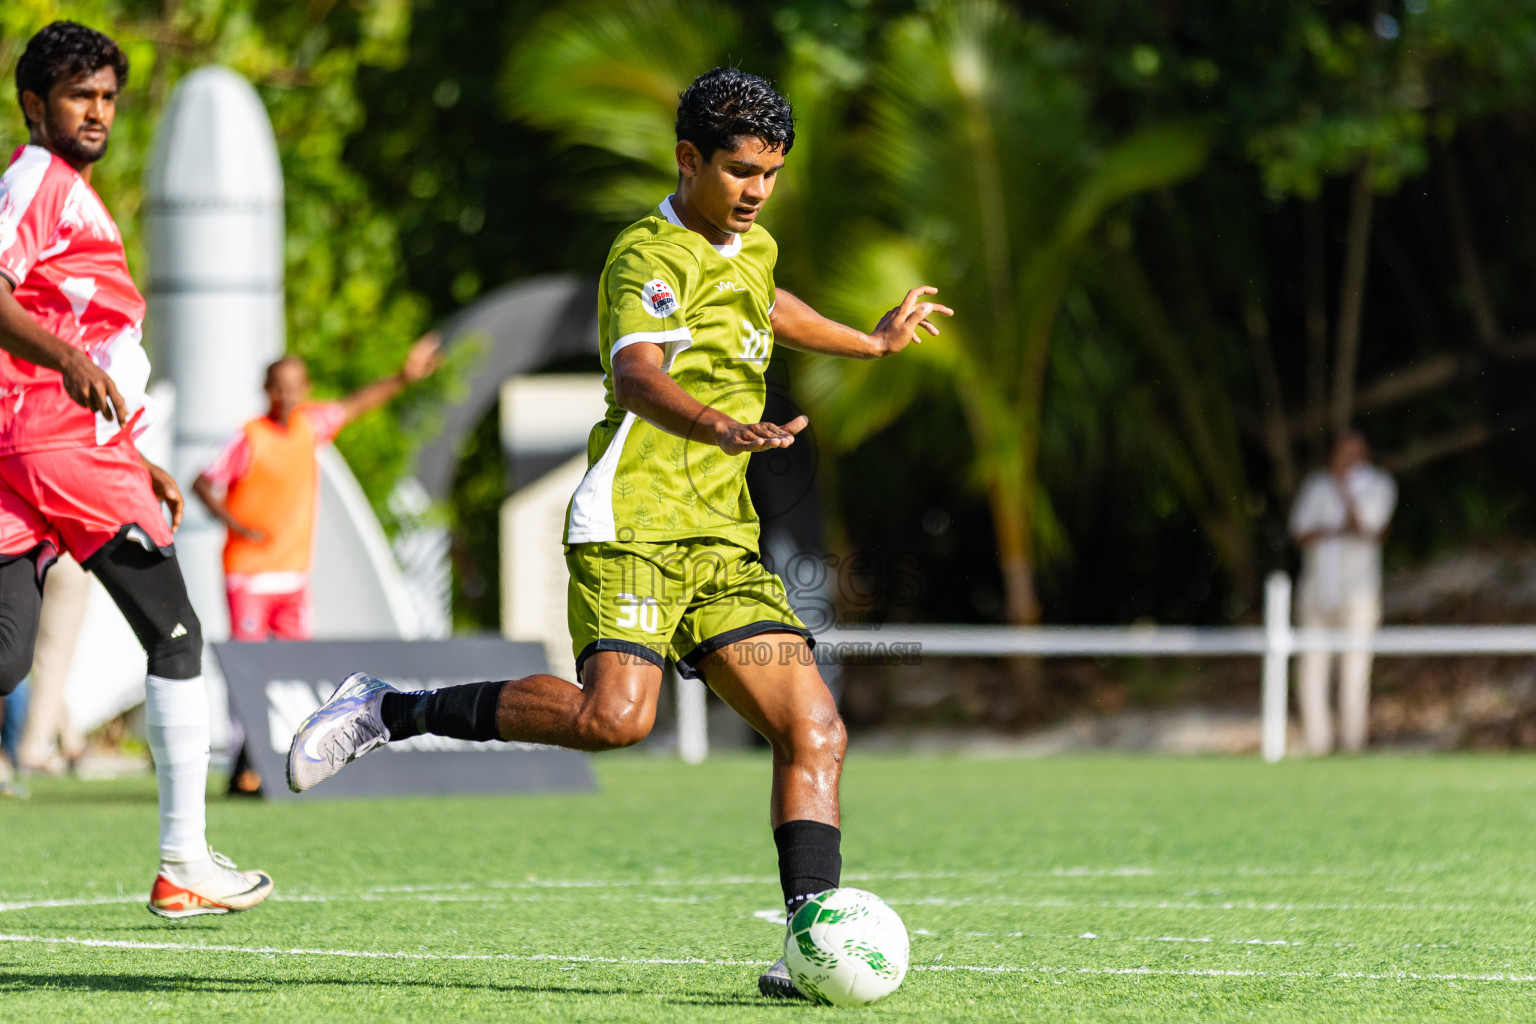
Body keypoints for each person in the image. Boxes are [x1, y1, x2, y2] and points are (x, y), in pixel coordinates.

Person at [285, 67, 951, 999]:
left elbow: (766, 303)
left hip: (721, 540)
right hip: (632, 522)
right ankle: (387, 709)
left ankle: (806, 951)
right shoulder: (644, 256)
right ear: (689, 160)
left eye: (771, 172)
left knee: (817, 730)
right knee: (615, 720)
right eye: (739, 171)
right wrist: (719, 424)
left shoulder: (747, 246)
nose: (757, 190)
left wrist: (868, 341)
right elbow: (637, 375)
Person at [0, 21, 272, 916]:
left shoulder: (67, 187)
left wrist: (139, 453)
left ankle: (185, 861)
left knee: (6, 654)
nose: (99, 112)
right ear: (35, 104)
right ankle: (183, 861)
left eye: (109, 96)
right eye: (81, 95)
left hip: (53, 444)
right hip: (53, 435)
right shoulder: (36, 179)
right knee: (177, 633)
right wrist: (70, 367)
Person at [192, 341, 439, 642]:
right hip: (250, 573)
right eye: (279, 388)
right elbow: (202, 483)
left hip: (294, 575)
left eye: (294, 388)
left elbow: (356, 405)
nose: (287, 396)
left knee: (297, 665)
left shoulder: (310, 425)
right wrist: (238, 526)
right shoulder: (248, 436)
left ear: (306, 388)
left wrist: (403, 377)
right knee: (251, 661)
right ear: (266, 389)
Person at [1289, 430, 1397, 754]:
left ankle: (1352, 743)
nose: (1346, 460)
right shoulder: (1316, 486)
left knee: (1355, 667)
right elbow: (1300, 532)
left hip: (1358, 592)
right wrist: (1335, 529)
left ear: (1365, 455)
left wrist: (1344, 494)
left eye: (1352, 453)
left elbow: (1368, 530)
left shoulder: (1379, 485)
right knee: (1312, 666)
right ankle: (1316, 742)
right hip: (1317, 588)